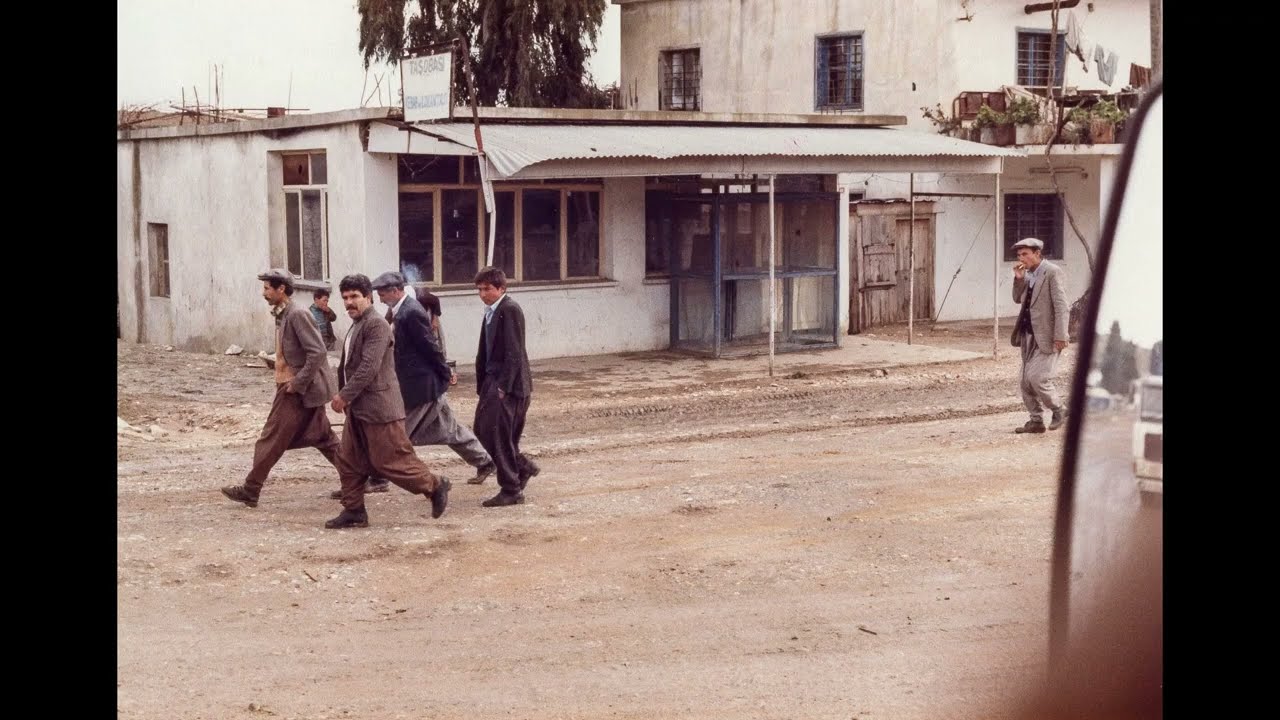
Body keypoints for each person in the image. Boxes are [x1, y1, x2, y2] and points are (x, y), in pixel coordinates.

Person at [328, 273, 494, 499]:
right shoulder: (396, 312)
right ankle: (484, 461)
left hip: (420, 388)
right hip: (417, 386)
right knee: (450, 429)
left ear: (397, 290)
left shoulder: (410, 313)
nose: (380, 296)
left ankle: (381, 478)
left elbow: (430, 347)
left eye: (383, 292)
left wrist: (445, 374)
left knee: (391, 440)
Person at [324, 273, 451, 529]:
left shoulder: (376, 325)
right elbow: (348, 367)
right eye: (345, 297)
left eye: (354, 297)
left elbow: (368, 368)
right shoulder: (357, 323)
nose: (349, 302)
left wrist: (343, 395)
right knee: (347, 459)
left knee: (391, 462)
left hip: (380, 408)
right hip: (359, 410)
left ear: (368, 297)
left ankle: (435, 485)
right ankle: (354, 511)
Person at [221, 269, 343, 508]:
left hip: (297, 390)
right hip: (295, 387)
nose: (263, 293)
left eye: (267, 288)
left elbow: (317, 352)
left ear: (281, 289)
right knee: (325, 439)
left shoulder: (297, 314)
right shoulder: (283, 313)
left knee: (270, 438)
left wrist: (296, 384)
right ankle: (358, 479)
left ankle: (251, 489)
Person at [472, 267, 539, 507]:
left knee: (497, 435)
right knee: (483, 430)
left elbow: (515, 350)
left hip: (507, 385)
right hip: (493, 380)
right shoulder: (491, 311)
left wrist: (504, 387)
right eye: (479, 289)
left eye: (487, 289)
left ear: (501, 288)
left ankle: (511, 489)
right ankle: (522, 467)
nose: (482, 294)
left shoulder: (509, 309)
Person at [1011, 237, 1069, 433]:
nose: (1021, 258)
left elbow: (1062, 306)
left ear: (1037, 253)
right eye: (1019, 255)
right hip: (1028, 335)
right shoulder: (1029, 275)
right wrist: (1019, 279)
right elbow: (1017, 299)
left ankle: (1059, 409)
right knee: (1024, 380)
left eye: (1025, 254)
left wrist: (1061, 335)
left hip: (1048, 335)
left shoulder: (1052, 272)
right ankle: (1036, 421)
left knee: (1038, 378)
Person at [309, 287, 338, 351]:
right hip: (317, 343)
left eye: (327, 301)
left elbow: (334, 318)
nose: (326, 303)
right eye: (324, 300)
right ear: (316, 300)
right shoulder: (309, 312)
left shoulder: (326, 310)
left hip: (329, 342)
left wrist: (329, 311)